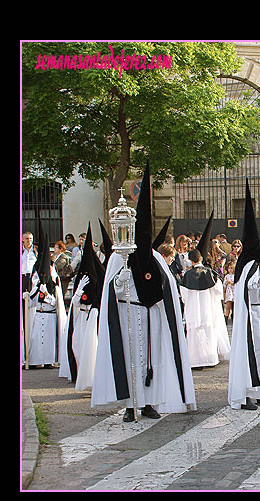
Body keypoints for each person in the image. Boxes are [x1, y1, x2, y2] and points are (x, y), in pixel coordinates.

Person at [91, 163, 196, 422]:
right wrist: (119, 281)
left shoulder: (154, 258)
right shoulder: (118, 258)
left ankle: (149, 403)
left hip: (149, 315)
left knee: (151, 360)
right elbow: (108, 293)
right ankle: (130, 405)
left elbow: (168, 286)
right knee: (130, 360)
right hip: (128, 312)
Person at [228, 179, 260, 411]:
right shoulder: (248, 265)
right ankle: (246, 392)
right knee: (252, 352)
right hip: (251, 314)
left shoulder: (255, 262)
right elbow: (248, 286)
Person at [180, 213, 231, 369]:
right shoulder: (210, 274)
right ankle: (210, 359)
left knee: (195, 336)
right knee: (208, 333)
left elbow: (184, 295)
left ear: (191, 260)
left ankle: (195, 361)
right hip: (208, 309)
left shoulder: (187, 276)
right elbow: (218, 291)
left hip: (194, 311)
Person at [59, 225, 104, 391]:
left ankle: (93, 378)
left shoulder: (99, 276)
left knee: (92, 350)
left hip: (93, 317)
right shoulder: (82, 278)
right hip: (81, 318)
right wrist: (78, 293)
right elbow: (76, 303)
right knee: (76, 346)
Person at [25, 227, 67, 368]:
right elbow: (31, 300)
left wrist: (47, 294)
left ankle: (49, 360)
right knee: (36, 338)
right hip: (38, 313)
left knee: (48, 338)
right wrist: (31, 294)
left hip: (49, 314)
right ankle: (35, 361)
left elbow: (56, 301)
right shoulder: (35, 279)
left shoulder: (53, 279)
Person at [223, 257, 236, 322]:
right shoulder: (227, 276)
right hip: (229, 293)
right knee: (228, 307)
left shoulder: (235, 276)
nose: (230, 270)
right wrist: (226, 284)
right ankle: (226, 318)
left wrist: (230, 282)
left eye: (232, 268)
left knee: (234, 307)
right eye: (229, 268)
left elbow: (236, 283)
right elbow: (224, 285)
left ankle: (234, 317)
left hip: (234, 292)